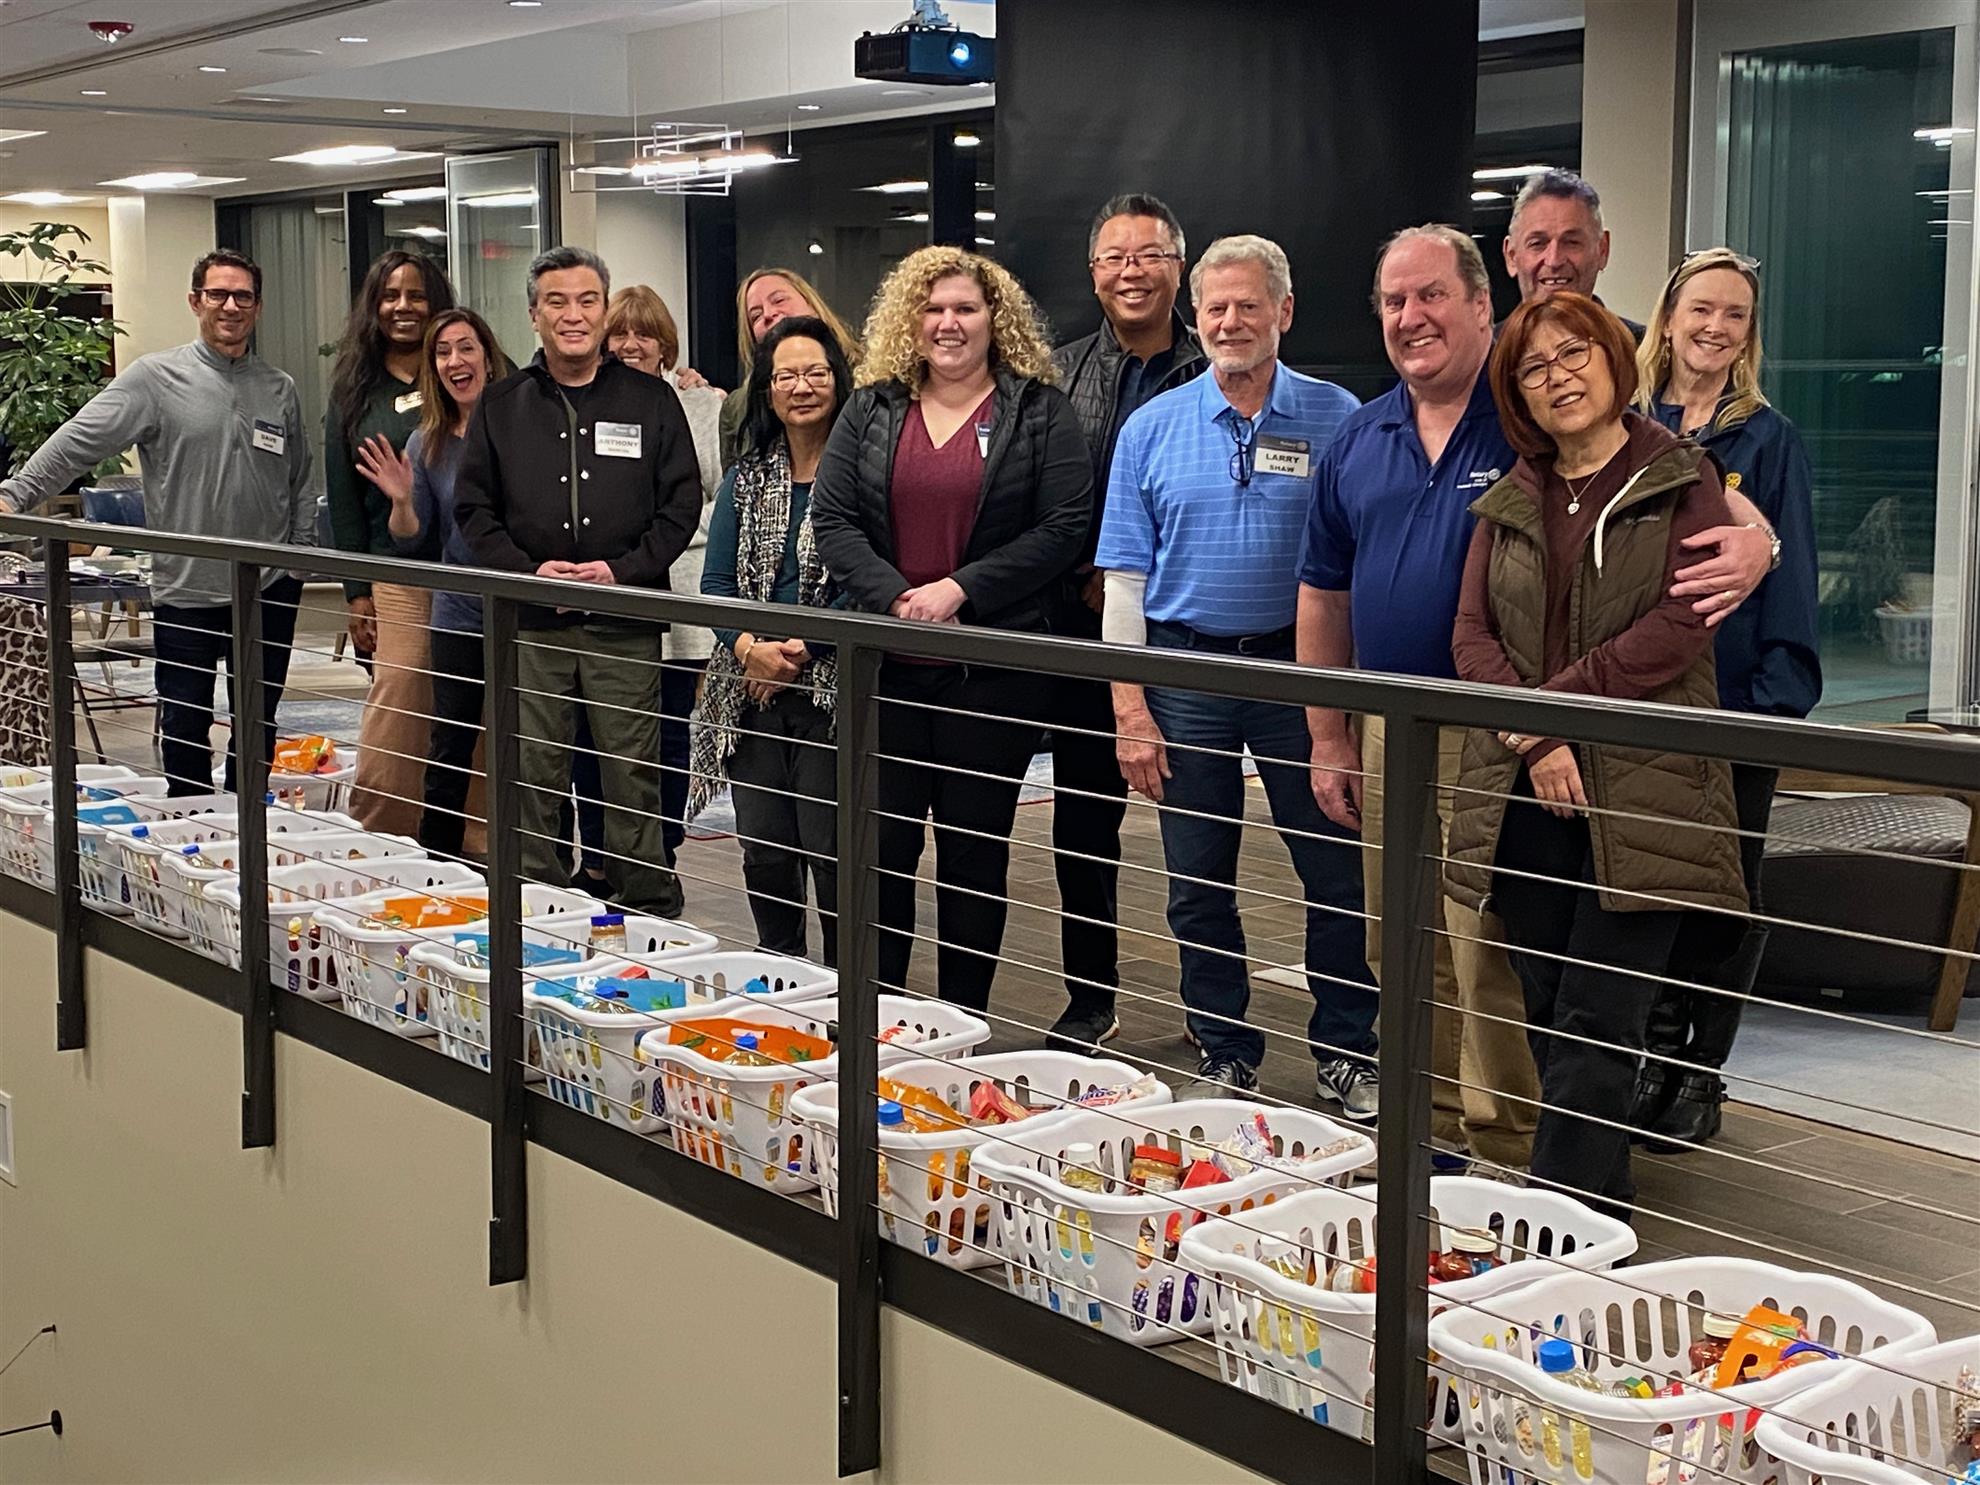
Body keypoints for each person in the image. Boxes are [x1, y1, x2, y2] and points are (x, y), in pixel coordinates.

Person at [1445, 291, 1749, 1216]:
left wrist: (1554, 713)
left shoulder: (1681, 478)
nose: (1558, 377)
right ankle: (1599, 1210)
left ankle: (1554, 1228)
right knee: (1546, 1007)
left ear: (1616, 358)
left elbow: (1682, 624)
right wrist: (1540, 735)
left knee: (1600, 1015)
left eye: (1574, 352)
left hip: (1644, 792)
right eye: (1534, 368)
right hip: (1525, 787)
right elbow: (1470, 636)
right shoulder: (1510, 496)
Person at [1095, 234, 1377, 1109]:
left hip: (1302, 679)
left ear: (1283, 311)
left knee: (1334, 871)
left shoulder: (1341, 418)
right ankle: (1223, 1046)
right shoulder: (1150, 428)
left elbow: (1360, 564)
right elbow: (1124, 581)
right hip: (1185, 675)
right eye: (1214, 308)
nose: (1228, 322)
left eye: (1247, 305)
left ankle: (1348, 1049)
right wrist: (1130, 710)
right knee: (1196, 879)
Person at [1298, 224, 1539, 1157]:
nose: (1411, 317)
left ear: (1482, 303)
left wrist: (1753, 536)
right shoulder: (1360, 437)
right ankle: (1424, 1141)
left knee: (1486, 947)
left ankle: (1505, 1150)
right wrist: (1328, 735)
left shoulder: (1528, 421)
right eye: (1393, 301)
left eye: (1431, 294)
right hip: (1387, 726)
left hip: (1497, 731)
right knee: (1398, 939)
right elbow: (1323, 596)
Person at [811, 246, 1090, 1014]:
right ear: (911, 319)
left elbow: (1064, 526)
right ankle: (876, 1025)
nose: (948, 323)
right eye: (933, 309)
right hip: (886, 670)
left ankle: (959, 1028)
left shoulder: (1039, 411)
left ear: (995, 319)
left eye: (965, 308)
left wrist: (961, 589)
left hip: (991, 677)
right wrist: (899, 596)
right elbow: (833, 520)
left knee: (973, 861)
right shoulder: (871, 408)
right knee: (880, 856)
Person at [1631, 248, 1822, 1147]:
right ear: (1669, 318)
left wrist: (1778, 703)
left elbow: (1794, 573)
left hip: (1737, 699)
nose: (1715, 327)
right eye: (1701, 309)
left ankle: (1700, 1071)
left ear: (1750, 334)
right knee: (1647, 884)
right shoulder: (1627, 422)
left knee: (1725, 893)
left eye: (1735, 314)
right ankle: (1650, 1053)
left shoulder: (1769, 439)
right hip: (1638, 697)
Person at [0, 250, 314, 794]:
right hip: (188, 588)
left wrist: (299, 559)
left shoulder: (278, 386)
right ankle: (192, 828)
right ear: (196, 301)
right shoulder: (155, 378)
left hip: (267, 587)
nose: (230, 306)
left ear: (257, 307)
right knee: (185, 724)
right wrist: (15, 495)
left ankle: (250, 826)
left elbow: (300, 475)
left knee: (258, 723)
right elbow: (79, 440)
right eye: (218, 294)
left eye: (243, 296)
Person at [454, 245, 698, 917]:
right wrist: (528, 573)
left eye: (587, 300)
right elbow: (474, 511)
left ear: (604, 309)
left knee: (632, 772)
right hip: (532, 623)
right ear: (534, 315)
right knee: (533, 771)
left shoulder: (651, 400)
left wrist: (622, 571)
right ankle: (536, 909)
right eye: (556, 302)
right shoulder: (502, 404)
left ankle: (646, 905)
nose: (573, 314)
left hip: (624, 619)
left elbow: (680, 505)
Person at [1044, 191, 1207, 1051]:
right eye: (1114, 257)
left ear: (1180, 266)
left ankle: (1215, 1013)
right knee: (1082, 825)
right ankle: (1090, 997)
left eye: (1149, 255)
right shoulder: (1058, 374)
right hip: (1081, 632)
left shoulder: (1217, 365)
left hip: (1181, 631)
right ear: (1093, 272)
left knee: (1200, 836)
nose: (1131, 271)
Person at [689, 316, 853, 963]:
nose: (801, 387)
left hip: (831, 692)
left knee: (832, 854)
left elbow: (869, 585)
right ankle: (781, 979)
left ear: (838, 381)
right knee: (765, 851)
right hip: (750, 692)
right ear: (768, 389)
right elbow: (716, 582)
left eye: (815, 372)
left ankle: (846, 992)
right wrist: (749, 649)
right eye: (787, 375)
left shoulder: (860, 475)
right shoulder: (746, 476)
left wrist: (802, 649)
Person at [354, 308, 512, 861]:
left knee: (522, 746)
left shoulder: (523, 430)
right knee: (449, 746)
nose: (455, 361)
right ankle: (438, 865)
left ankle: (530, 865)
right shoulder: (427, 443)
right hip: (456, 614)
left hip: (519, 612)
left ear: (488, 357)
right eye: (443, 353)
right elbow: (412, 539)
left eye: (466, 348)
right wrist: (401, 501)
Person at [325, 249, 456, 834]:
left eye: (417, 294)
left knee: (472, 705)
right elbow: (343, 500)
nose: (404, 307)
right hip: (392, 573)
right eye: (391, 295)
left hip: (469, 571)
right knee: (399, 699)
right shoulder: (355, 389)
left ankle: (474, 839)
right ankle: (384, 832)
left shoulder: (461, 365)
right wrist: (357, 592)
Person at [606, 285, 726, 870]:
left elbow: (723, 498)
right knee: (611, 731)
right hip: (617, 585)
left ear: (665, 344)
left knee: (673, 728)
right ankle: (611, 853)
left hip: (683, 586)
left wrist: (665, 528)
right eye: (619, 333)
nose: (631, 344)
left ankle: (665, 850)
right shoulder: (595, 401)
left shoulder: (703, 405)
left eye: (644, 333)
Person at [718, 268, 860, 466]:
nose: (768, 314)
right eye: (756, 316)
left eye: (779, 300)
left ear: (811, 304)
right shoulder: (737, 409)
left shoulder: (870, 377)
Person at [1501, 169, 1644, 338]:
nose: (1554, 260)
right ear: (1511, 256)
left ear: (1602, 250)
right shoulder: (1487, 351)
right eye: (1537, 244)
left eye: (1571, 242)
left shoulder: (1643, 350)